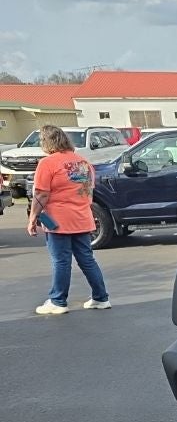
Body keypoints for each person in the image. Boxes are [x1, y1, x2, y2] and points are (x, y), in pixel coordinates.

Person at [27, 124, 112, 315]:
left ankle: (58, 300)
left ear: (46, 143)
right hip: (82, 217)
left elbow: (41, 194)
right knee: (87, 260)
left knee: (61, 261)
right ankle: (101, 297)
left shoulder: (47, 163)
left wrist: (33, 218)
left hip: (58, 220)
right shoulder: (83, 162)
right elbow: (88, 191)